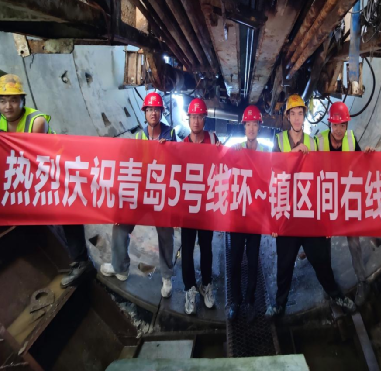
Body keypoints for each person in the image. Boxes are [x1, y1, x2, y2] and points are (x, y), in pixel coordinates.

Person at [0, 74, 91, 288]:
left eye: (13, 100)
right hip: (24, 168)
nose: (8, 106)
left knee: (67, 206)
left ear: (22, 101)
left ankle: (82, 263)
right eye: (3, 101)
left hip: (52, 168)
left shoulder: (36, 121)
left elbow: (31, 162)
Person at [266, 95, 356, 319]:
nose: (297, 118)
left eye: (300, 113)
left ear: (304, 116)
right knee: (284, 264)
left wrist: (325, 220)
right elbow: (272, 173)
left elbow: (321, 179)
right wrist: (274, 221)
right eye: (293, 114)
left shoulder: (314, 141)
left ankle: (336, 295)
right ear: (288, 117)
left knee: (321, 261)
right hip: (287, 214)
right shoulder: (278, 141)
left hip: (308, 212)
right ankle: (279, 305)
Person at [100, 93, 177, 299]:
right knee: (120, 225)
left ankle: (167, 276)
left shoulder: (170, 134)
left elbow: (178, 162)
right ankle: (120, 267)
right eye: (150, 110)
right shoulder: (138, 137)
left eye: (157, 109)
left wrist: (168, 151)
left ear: (161, 112)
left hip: (160, 195)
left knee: (166, 233)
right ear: (144, 113)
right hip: (141, 193)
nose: (153, 113)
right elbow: (131, 165)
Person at [316, 102, 376, 307]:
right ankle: (328, 285)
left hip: (346, 196)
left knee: (354, 240)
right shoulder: (319, 141)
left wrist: (367, 154)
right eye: (335, 125)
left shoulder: (350, 139)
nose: (339, 130)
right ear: (329, 125)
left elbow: (360, 160)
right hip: (327, 197)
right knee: (325, 242)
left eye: (342, 125)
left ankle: (362, 280)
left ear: (347, 126)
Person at [228, 106, 267, 323]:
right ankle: (236, 301)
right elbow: (221, 168)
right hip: (237, 215)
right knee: (235, 260)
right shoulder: (236, 150)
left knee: (253, 261)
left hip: (255, 217)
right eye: (248, 124)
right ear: (244, 127)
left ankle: (250, 301)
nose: (251, 128)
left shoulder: (265, 153)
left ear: (259, 127)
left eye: (254, 124)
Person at [182, 98, 220, 315]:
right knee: (187, 249)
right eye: (193, 117)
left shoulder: (213, 140)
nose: (196, 121)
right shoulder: (181, 144)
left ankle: (206, 284)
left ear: (205, 119)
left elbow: (225, 164)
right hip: (188, 206)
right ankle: (189, 288)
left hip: (207, 206)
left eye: (199, 117)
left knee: (206, 247)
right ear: (188, 120)